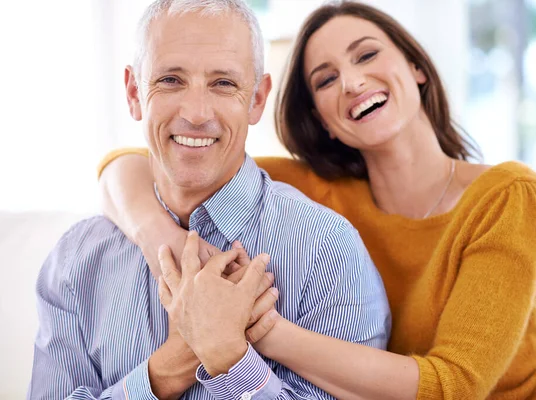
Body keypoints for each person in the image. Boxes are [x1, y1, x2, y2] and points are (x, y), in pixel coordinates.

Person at [98, 1, 536, 399]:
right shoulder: (319, 190)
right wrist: (163, 245)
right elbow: (135, 162)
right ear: (321, 119)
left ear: (417, 67)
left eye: (366, 56)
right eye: (325, 80)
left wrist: (256, 327)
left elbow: (455, 386)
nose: (351, 82)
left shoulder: (508, 196)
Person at [28, 1, 391, 399]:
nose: (197, 113)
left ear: (256, 100)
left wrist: (229, 360)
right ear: (134, 93)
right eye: (170, 80)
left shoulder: (328, 250)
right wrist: (163, 373)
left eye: (223, 83)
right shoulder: (74, 262)